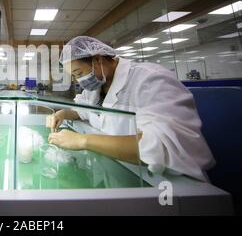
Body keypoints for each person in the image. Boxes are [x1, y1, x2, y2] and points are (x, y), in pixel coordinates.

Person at [48, 36, 215, 181]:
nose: (79, 81)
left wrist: (83, 141)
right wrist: (64, 113)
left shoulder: (150, 79)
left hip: (168, 183)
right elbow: (83, 110)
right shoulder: (97, 86)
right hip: (123, 171)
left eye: (79, 73)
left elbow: (161, 147)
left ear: (98, 59)